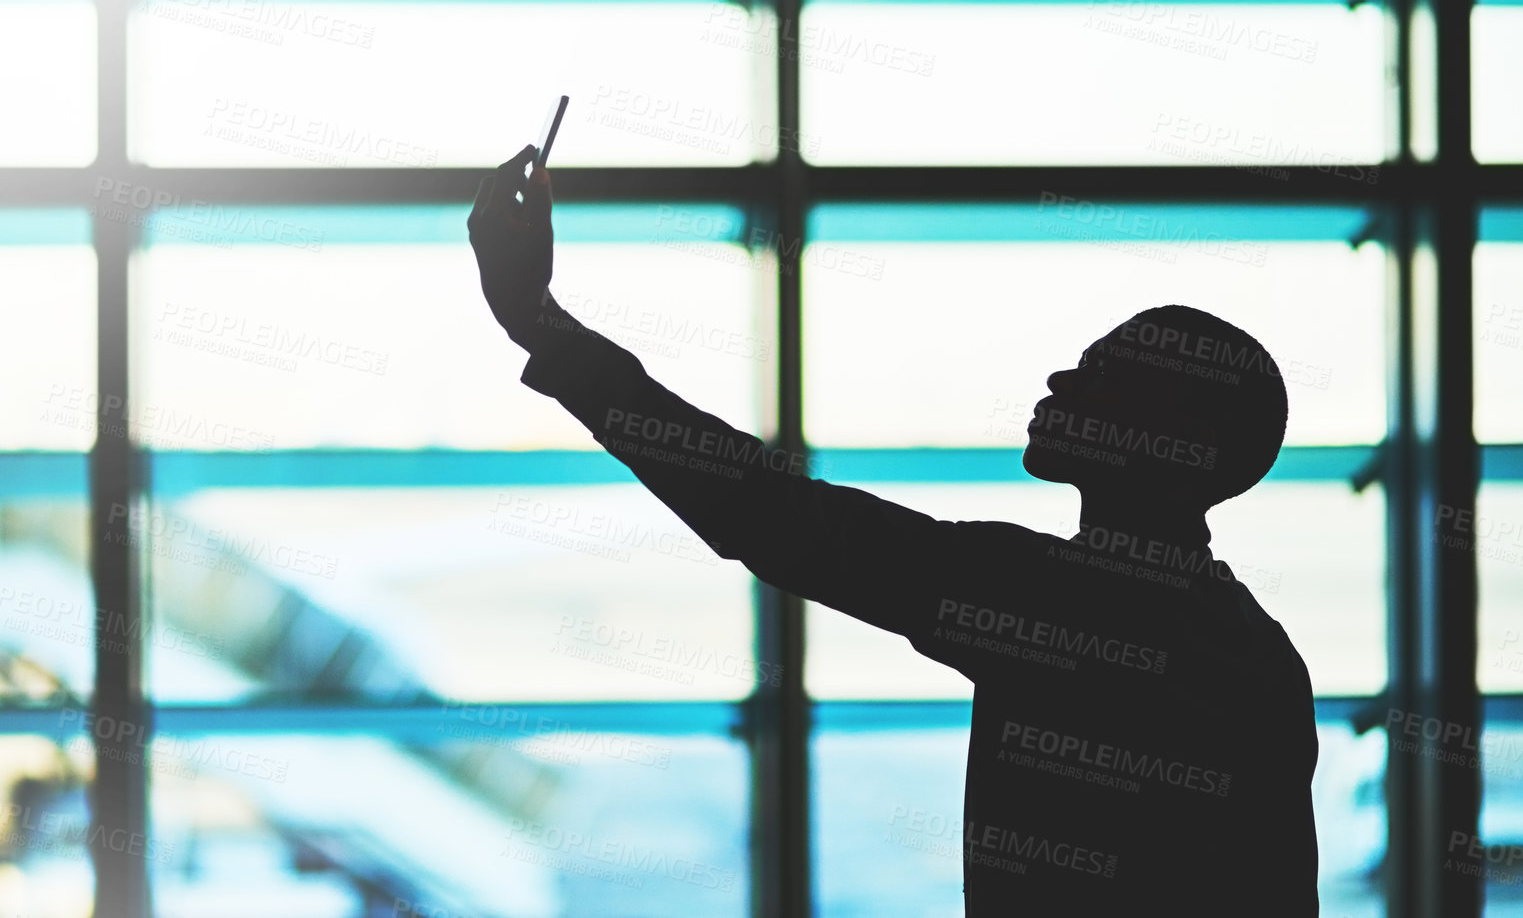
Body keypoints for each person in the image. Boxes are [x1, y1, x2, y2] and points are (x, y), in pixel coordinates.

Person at [468, 145, 1320, 916]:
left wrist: (540, 323)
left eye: (1103, 374)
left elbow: (768, 515)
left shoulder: (1047, 598)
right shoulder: (1259, 656)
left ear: (1167, 436)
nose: (1061, 375)